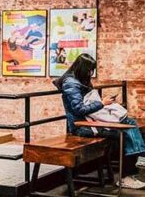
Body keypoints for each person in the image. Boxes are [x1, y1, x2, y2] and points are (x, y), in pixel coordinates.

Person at [53, 53, 145, 189]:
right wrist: (102, 103)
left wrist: (103, 103)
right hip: (82, 127)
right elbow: (79, 110)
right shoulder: (71, 83)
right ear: (83, 69)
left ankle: (138, 161)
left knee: (130, 125)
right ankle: (129, 173)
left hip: (92, 122)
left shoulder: (79, 80)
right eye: (90, 70)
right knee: (125, 134)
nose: (91, 73)